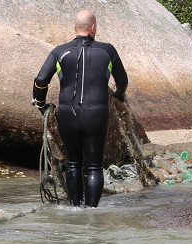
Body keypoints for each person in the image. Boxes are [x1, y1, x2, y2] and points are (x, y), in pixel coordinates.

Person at [32, 9, 129, 207]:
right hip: (97, 115)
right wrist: (118, 96)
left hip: (69, 115)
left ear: (75, 28)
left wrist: (41, 104)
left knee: (73, 164)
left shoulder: (59, 51)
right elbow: (122, 81)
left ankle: (76, 208)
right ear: (93, 28)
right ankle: (92, 211)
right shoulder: (107, 51)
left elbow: (41, 80)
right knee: (94, 167)